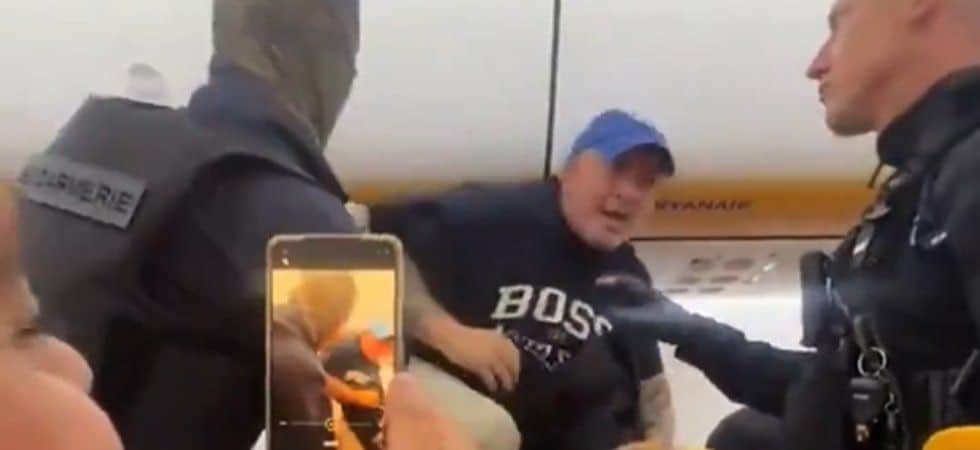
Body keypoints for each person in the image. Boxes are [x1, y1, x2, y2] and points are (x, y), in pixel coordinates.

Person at [605, 0, 980, 448]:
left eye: (839, 24)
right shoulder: (920, 189)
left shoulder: (967, 170)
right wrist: (684, 329)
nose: (815, 65)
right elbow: (829, 393)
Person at [16, 1, 362, 449]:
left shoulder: (87, 141)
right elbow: (359, 435)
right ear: (325, 42)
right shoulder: (307, 225)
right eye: (350, 59)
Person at [372, 109, 677, 450]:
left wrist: (658, 441)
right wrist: (445, 332)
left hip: (551, 434)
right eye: (617, 170)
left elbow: (653, 391)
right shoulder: (492, 216)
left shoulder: (630, 281)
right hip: (437, 403)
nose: (630, 193)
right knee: (493, 430)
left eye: (646, 182)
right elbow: (371, 244)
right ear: (571, 171)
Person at [271, 272, 359, 450]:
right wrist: (339, 425)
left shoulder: (274, 322)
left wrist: (350, 394)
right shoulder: (301, 368)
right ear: (340, 319)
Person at [322, 325, 396, 450]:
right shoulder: (344, 354)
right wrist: (357, 396)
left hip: (371, 429)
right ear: (366, 337)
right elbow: (318, 381)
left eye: (388, 344)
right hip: (350, 429)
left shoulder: (372, 361)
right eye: (383, 342)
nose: (386, 348)